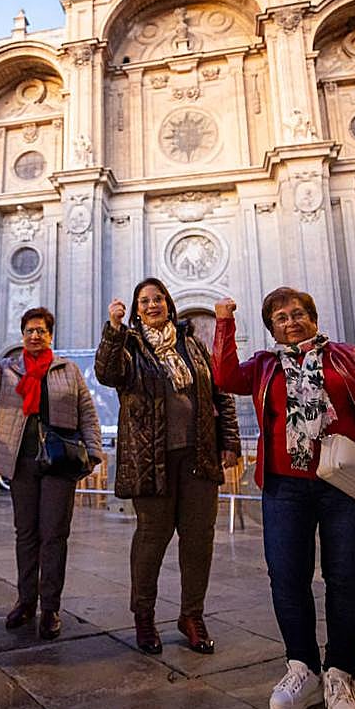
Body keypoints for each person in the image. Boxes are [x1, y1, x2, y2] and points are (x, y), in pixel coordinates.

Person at [212, 287, 355, 709]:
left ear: (313, 317)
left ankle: (341, 673)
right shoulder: (265, 366)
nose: (290, 322)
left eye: (297, 315)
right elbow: (224, 377)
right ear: (272, 328)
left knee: (346, 579)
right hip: (285, 486)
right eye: (280, 319)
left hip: (345, 482)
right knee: (287, 577)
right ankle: (302, 668)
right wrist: (224, 323)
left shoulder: (350, 357)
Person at [94, 278, 239, 657]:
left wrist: (230, 442)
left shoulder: (192, 345)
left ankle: (192, 616)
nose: (152, 305)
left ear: (169, 304)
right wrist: (113, 329)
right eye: (144, 301)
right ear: (137, 309)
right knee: (151, 541)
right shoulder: (129, 346)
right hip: (151, 460)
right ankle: (144, 616)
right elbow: (107, 374)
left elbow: (219, 394)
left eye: (158, 298)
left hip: (197, 457)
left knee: (198, 541)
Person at [0, 306, 102, 641]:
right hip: (21, 462)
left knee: (54, 535)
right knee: (25, 534)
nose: (35, 336)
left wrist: (94, 451)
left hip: (59, 463)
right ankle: (26, 601)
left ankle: (51, 607)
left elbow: (86, 411)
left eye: (41, 330)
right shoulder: (9, 370)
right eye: (29, 331)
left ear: (50, 335)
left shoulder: (68, 370)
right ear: (22, 335)